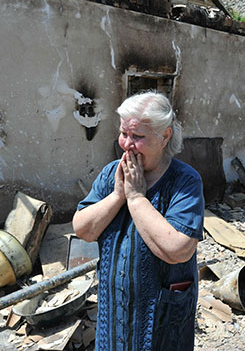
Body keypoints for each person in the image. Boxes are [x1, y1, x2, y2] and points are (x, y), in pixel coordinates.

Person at [72, 91, 205, 351]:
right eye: (124, 133)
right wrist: (118, 195)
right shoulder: (112, 173)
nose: (126, 144)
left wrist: (135, 198)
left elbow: (177, 249)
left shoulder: (185, 182)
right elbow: (83, 229)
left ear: (165, 136)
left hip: (162, 318)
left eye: (138, 137)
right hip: (114, 313)